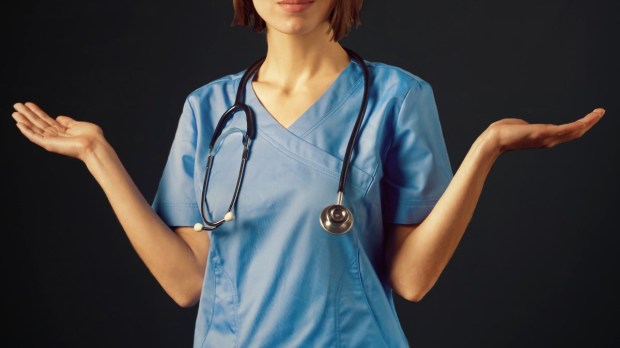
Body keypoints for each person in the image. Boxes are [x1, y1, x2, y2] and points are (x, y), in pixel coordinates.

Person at [11, 0, 604, 346]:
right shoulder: (210, 110)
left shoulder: (397, 99)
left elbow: (413, 280)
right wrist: (99, 157)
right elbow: (186, 282)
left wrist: (486, 151)